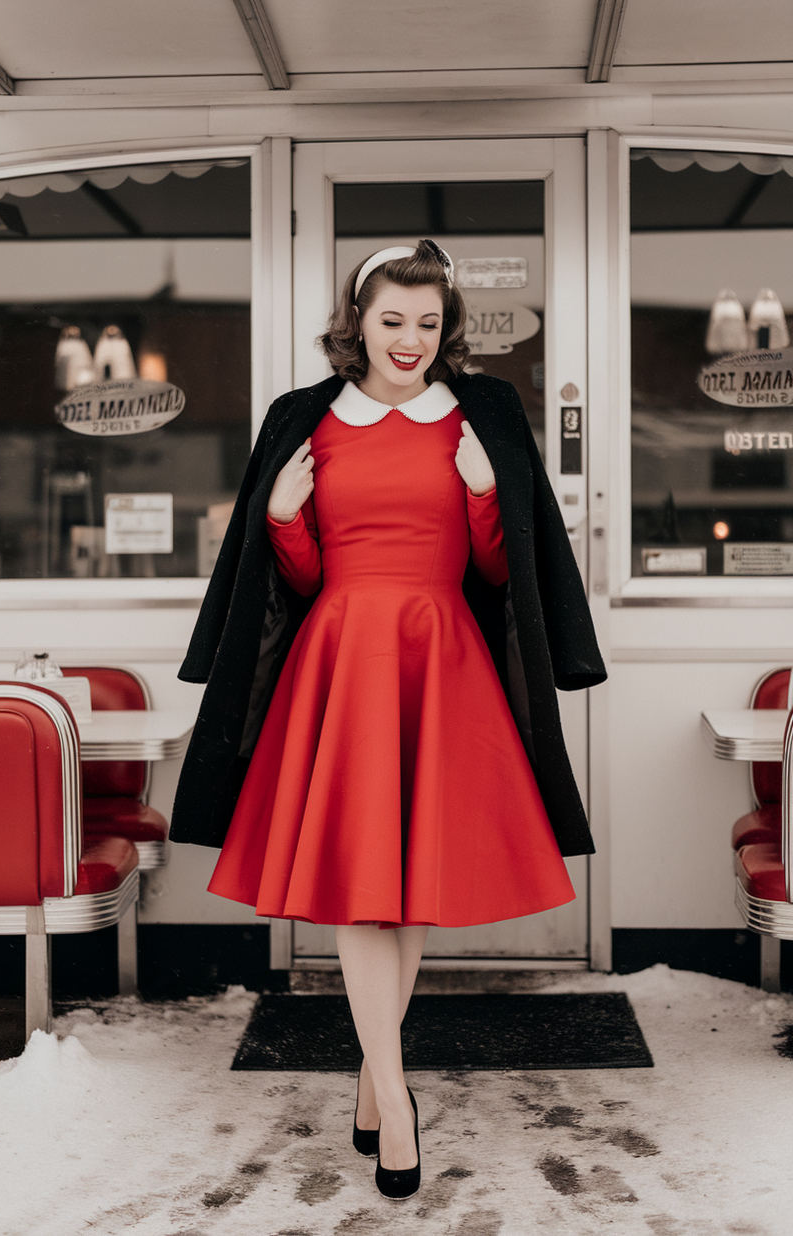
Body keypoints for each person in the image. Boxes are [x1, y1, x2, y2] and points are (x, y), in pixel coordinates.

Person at [170, 239, 606, 1200]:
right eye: (392, 320)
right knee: (369, 886)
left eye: (429, 323)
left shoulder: (485, 413)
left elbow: (502, 579)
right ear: (356, 322)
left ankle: (372, 1078)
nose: (410, 340)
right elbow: (298, 583)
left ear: (448, 330)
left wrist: (490, 497)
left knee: (409, 887)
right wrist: (283, 521)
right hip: (341, 658)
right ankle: (397, 1098)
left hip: (444, 656)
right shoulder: (305, 420)